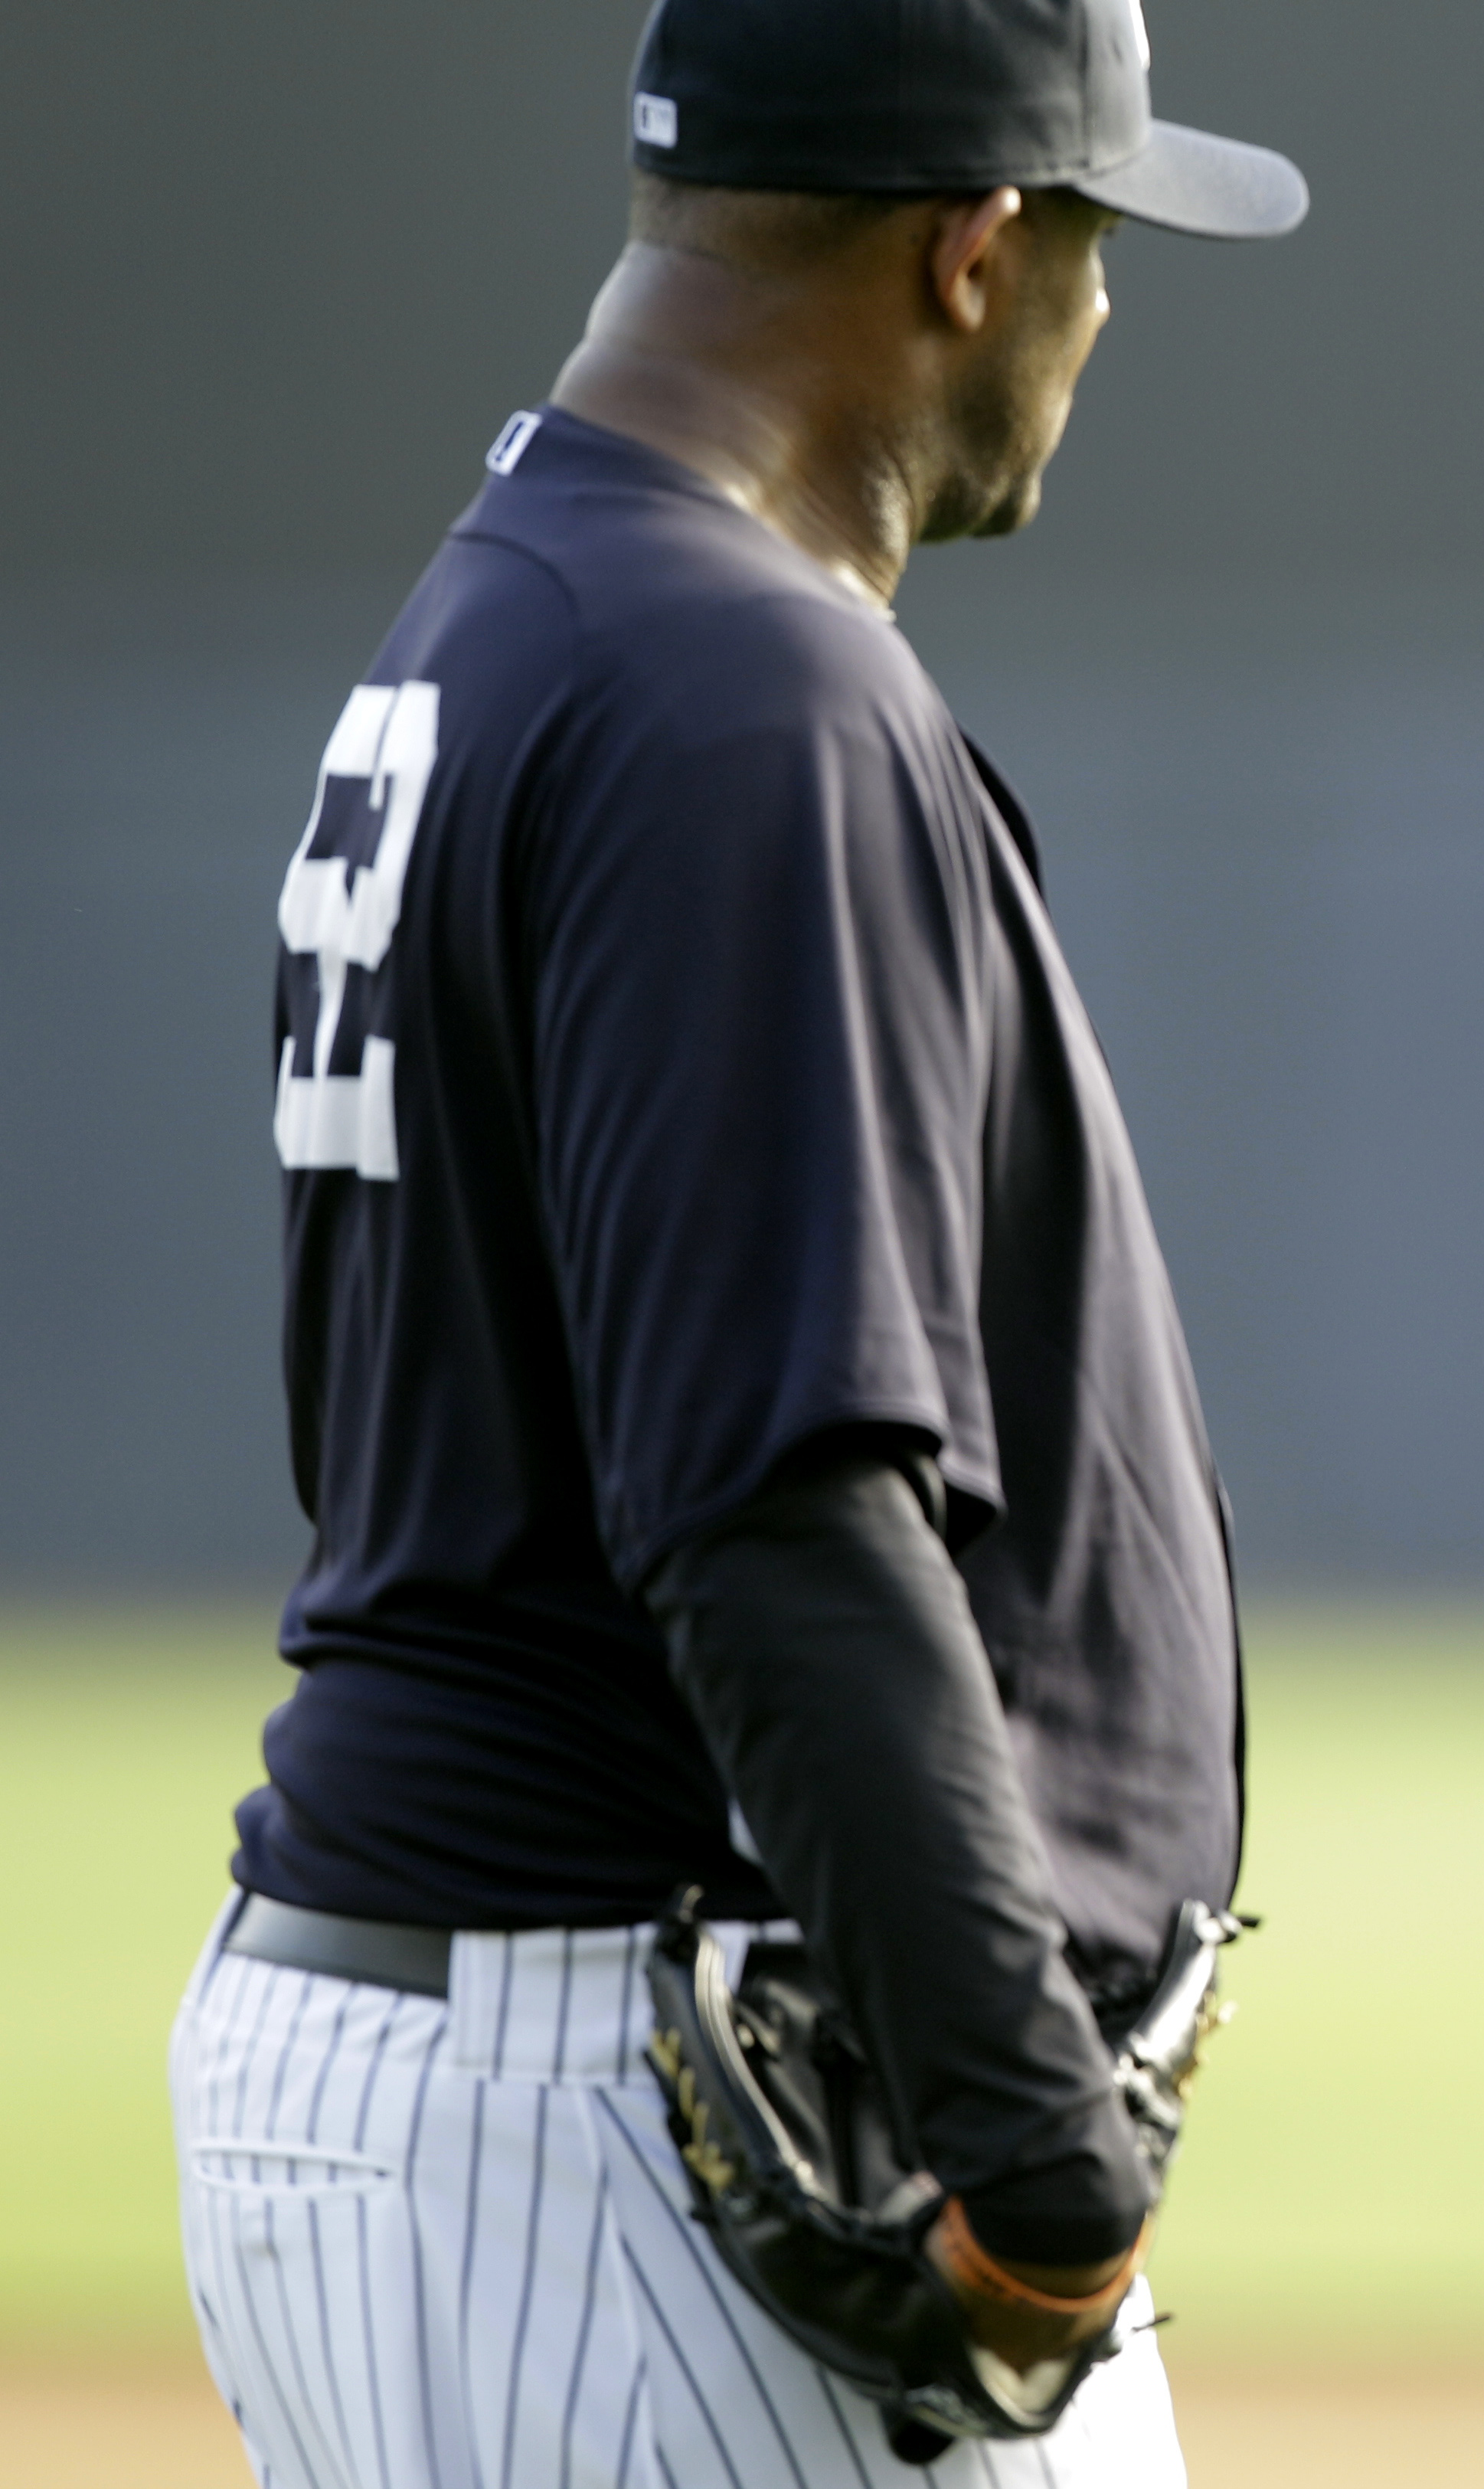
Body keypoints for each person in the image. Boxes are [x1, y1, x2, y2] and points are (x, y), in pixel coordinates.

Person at [172, 2, 1304, 2481]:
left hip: (466, 2064)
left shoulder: (522, 610)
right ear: (976, 247)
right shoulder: (739, 692)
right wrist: (1046, 2172)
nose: (1102, 315)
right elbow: (775, 1505)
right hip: (632, 2098)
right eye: (1097, 243)